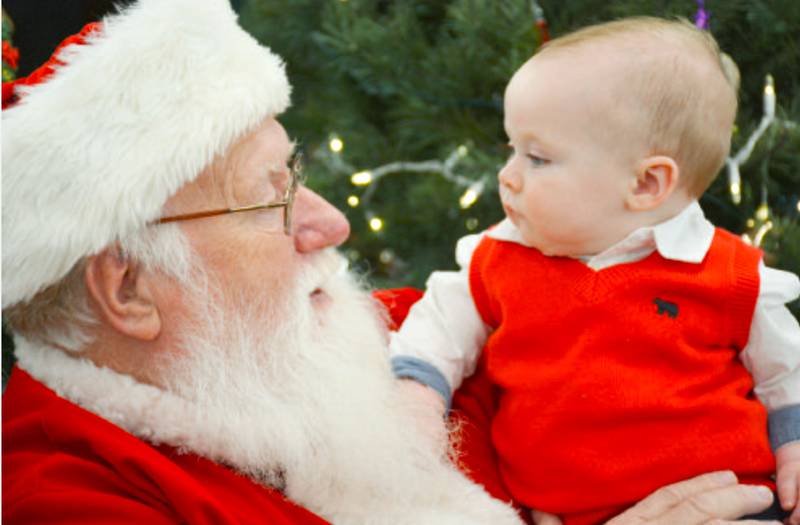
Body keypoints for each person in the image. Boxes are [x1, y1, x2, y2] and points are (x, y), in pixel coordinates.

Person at [0, 3, 785, 524]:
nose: (329, 223)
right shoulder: (64, 497)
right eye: (270, 197)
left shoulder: (397, 332)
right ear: (129, 289)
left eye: (297, 173)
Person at [389, 17, 800, 525]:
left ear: (647, 183)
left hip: (730, 503)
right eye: (511, 148)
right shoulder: (498, 256)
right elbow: (434, 333)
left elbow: (788, 372)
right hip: (562, 513)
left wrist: (795, 447)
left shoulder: (728, 274)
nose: (507, 175)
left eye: (537, 158)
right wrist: (417, 399)